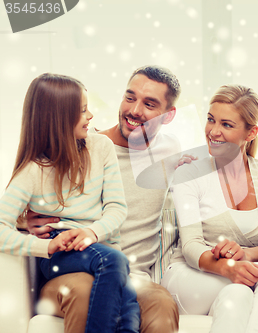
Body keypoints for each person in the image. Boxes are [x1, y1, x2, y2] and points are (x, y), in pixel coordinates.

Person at [27, 66, 180, 333]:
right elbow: (27, 183)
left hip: (132, 277)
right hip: (71, 274)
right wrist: (26, 217)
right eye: (130, 97)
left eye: (150, 104)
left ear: (168, 116)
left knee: (162, 303)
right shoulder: (85, 145)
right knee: (85, 292)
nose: (134, 110)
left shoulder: (171, 152)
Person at [2, 73, 139, 332]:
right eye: (83, 110)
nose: (91, 116)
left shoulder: (100, 146)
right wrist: (45, 245)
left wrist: (91, 232)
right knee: (114, 262)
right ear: (58, 120)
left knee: (126, 289)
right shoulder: (32, 171)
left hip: (97, 244)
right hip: (60, 248)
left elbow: (117, 208)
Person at [162, 84, 258, 333]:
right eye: (211, 120)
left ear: (250, 132)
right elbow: (191, 246)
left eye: (227, 125)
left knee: (247, 289)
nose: (214, 131)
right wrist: (227, 267)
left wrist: (244, 255)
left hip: (238, 276)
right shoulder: (189, 172)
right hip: (189, 276)